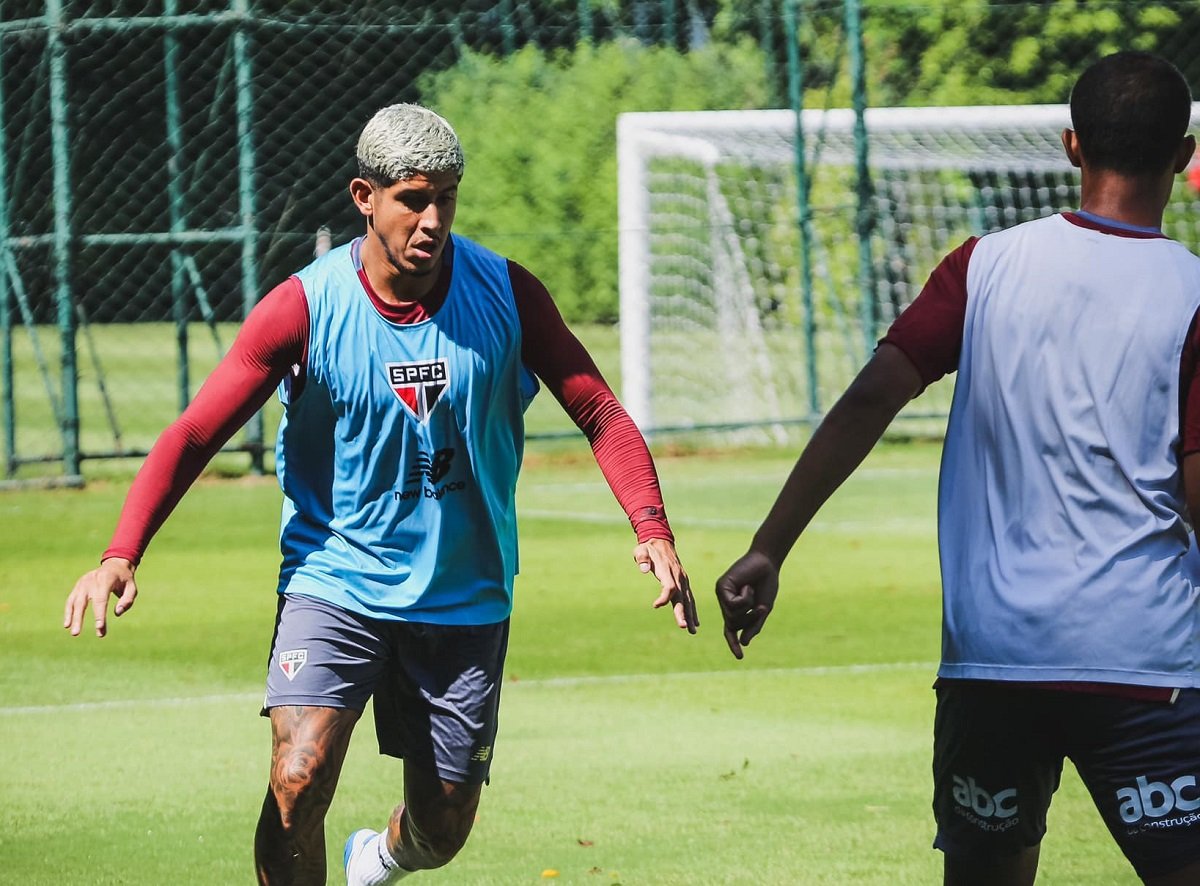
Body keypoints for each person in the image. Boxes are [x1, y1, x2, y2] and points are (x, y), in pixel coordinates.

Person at [64, 103, 698, 886]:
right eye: (413, 199)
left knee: (442, 825)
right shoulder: (304, 307)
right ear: (365, 196)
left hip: (463, 595)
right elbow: (196, 432)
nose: (432, 220)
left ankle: (380, 858)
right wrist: (121, 552)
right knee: (296, 781)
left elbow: (598, 410)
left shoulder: (507, 295)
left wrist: (651, 525)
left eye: (447, 200)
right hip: (334, 582)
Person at [715, 51, 1200, 886]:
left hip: (994, 661)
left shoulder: (982, 266)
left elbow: (870, 401)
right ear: (1185, 156)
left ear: (1071, 146)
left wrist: (770, 547)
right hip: (1147, 662)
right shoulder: (1192, 292)